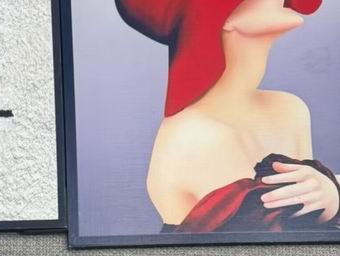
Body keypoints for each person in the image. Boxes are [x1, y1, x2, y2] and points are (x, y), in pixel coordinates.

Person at [116, 0, 340, 233]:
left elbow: (306, 232)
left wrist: (330, 195)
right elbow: (267, 241)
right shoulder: (195, 136)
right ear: (223, 17)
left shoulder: (289, 110)